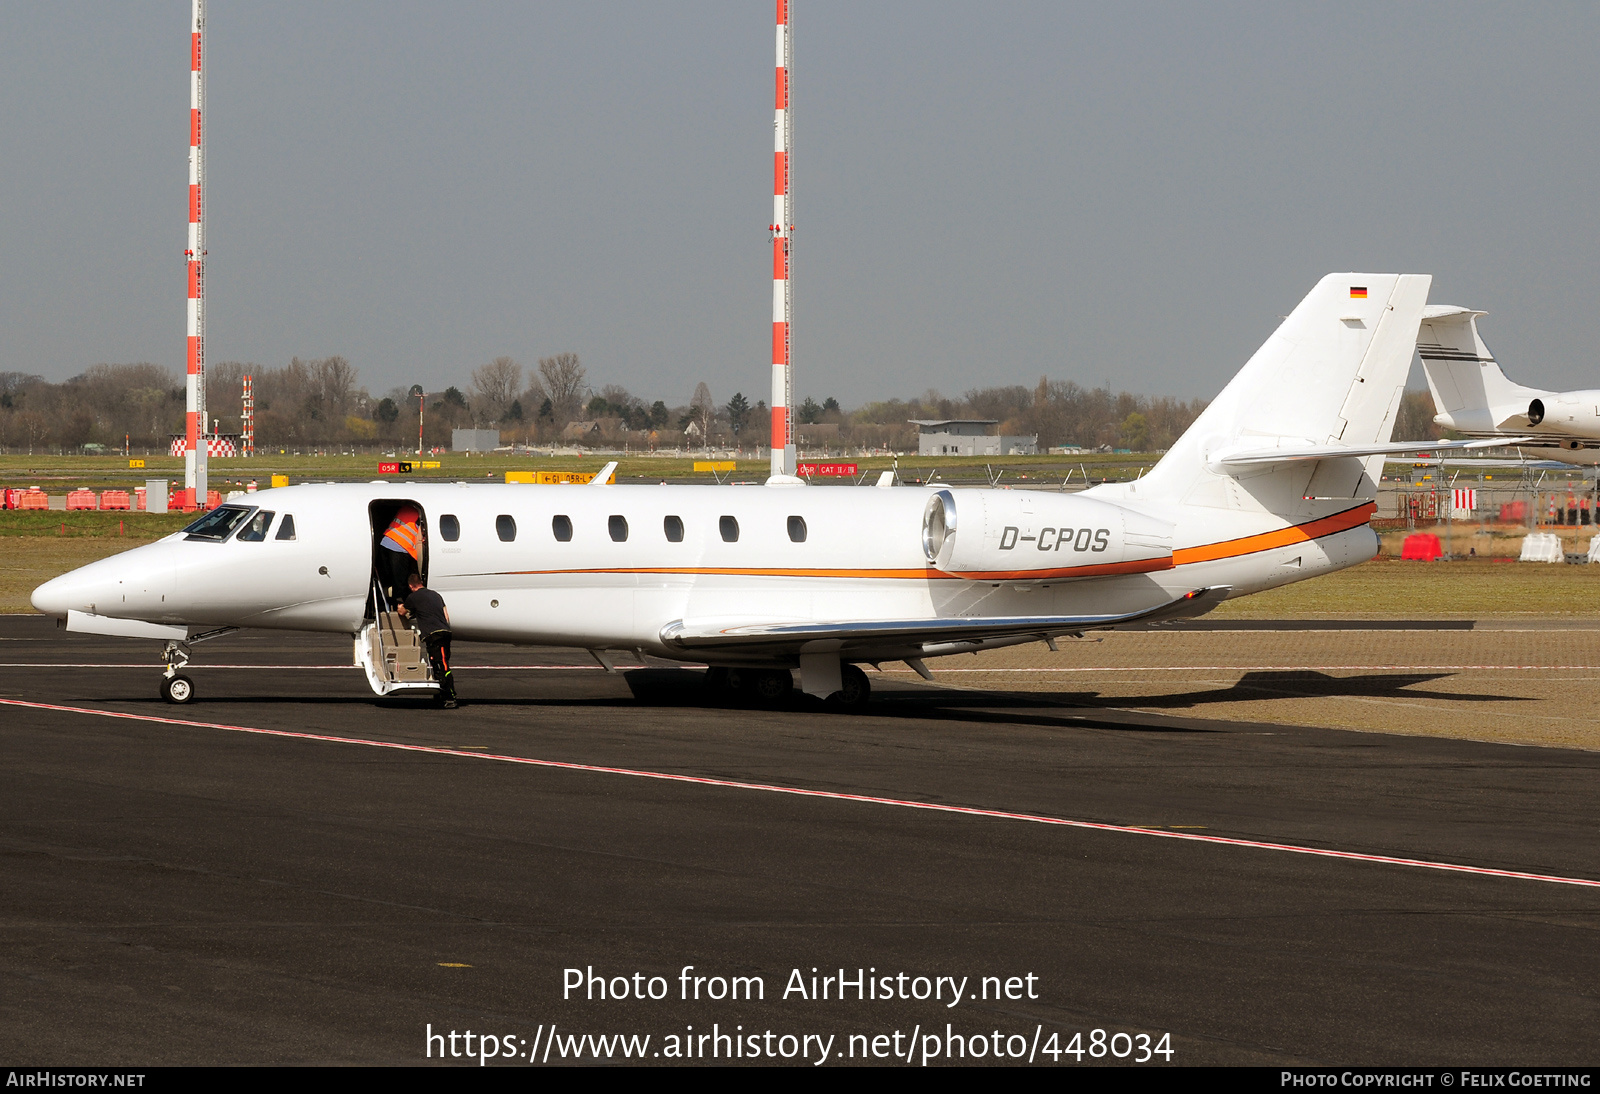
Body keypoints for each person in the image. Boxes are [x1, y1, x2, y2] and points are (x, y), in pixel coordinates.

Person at [399, 573, 457, 708]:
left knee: (442, 665)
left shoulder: (413, 597)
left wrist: (399, 607)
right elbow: (446, 615)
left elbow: (403, 612)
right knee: (440, 663)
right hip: (445, 632)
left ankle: (450, 697)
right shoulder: (436, 595)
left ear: (411, 586)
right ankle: (441, 695)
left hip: (434, 635)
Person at [379, 504, 422, 601]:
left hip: (385, 543)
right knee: (401, 582)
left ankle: (386, 599)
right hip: (400, 548)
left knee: (388, 578)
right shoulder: (420, 514)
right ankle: (401, 605)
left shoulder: (406, 507)